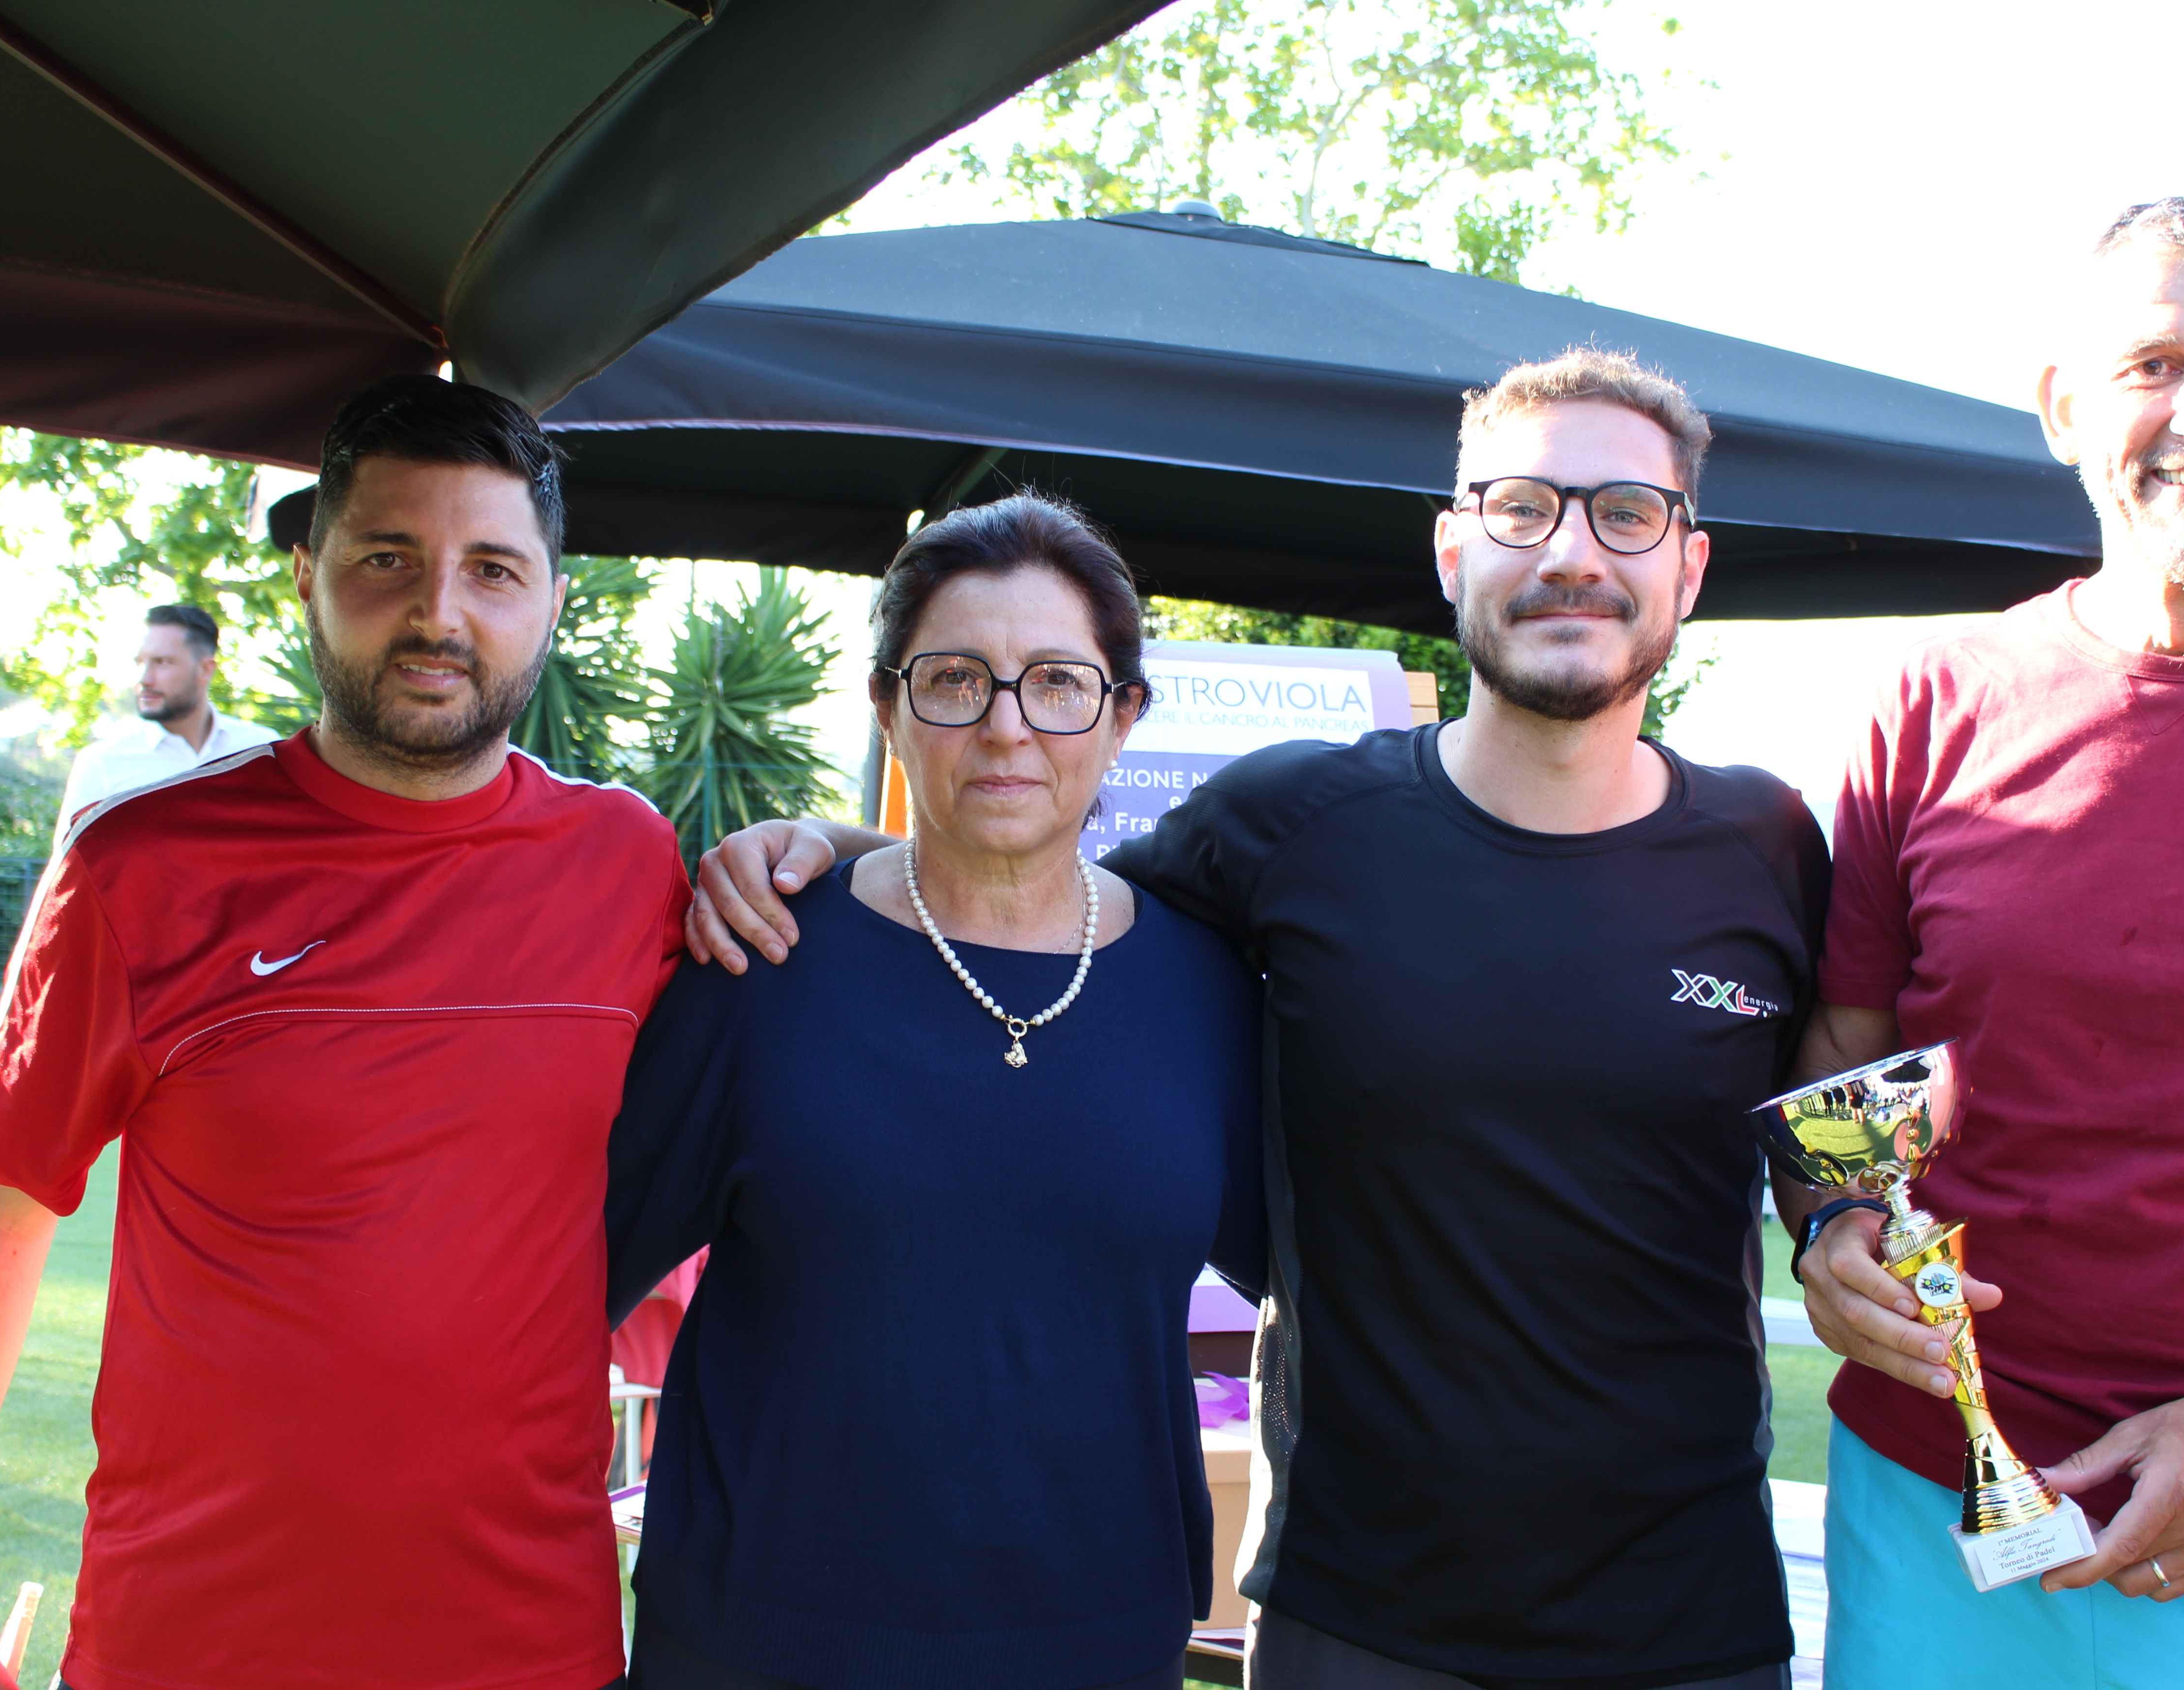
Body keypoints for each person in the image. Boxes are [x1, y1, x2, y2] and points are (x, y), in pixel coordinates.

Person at [695, 351, 1830, 1690]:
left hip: (1692, 1628)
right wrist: (830, 848)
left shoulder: (1770, 845)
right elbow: (1036, 892)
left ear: (1688, 568)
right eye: (1523, 507)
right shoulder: (1291, 823)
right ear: (1453, 550)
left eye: (1625, 514)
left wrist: (1847, 1225)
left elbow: (1830, 1132)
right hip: (1361, 1625)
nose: (1571, 553)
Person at [0, 375, 688, 1690]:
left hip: (525, 1643)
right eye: (387, 557)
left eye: (492, 568)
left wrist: (821, 839)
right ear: (306, 576)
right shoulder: (143, 865)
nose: (439, 611)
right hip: (191, 1640)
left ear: (554, 599)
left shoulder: (628, 864)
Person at [1781, 198, 2184, 1689]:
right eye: (2152, 365)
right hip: (1931, 1509)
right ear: (2066, 408)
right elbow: (1849, 1057)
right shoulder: (1932, 700)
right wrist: (1830, 1229)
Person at [603, 493, 1266, 1690]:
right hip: (760, 1648)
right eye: (956, 679)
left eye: (1057, 683)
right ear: (888, 708)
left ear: (1122, 716)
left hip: (1097, 1645)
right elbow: (565, 1286)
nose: (1007, 727)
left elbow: (1333, 1281)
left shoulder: (1207, 991)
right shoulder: (759, 963)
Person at [53, 603, 277, 836]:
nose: (144, 679)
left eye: (162, 662)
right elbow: (69, 857)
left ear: (205, 670)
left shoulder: (261, 750)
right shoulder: (102, 762)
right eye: (140, 663)